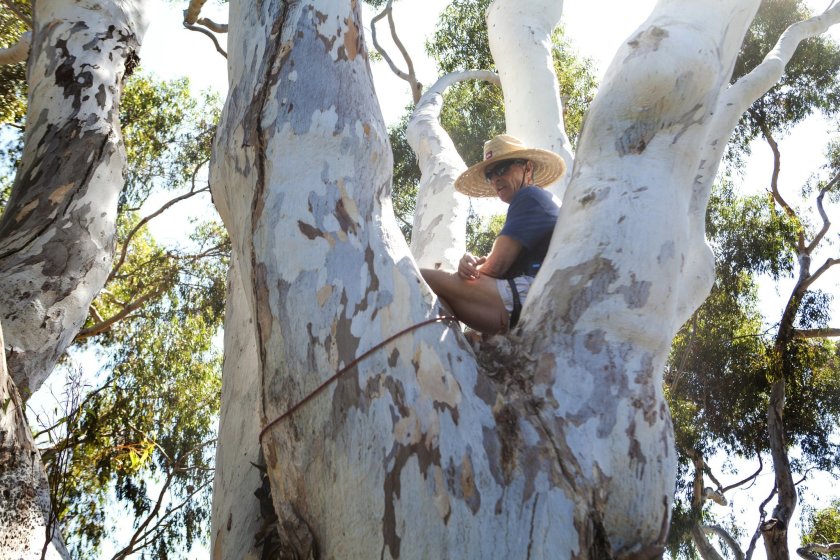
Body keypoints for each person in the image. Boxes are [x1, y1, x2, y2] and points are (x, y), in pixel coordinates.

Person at [421, 134, 566, 334]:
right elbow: (494, 263)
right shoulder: (538, 199)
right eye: (489, 175)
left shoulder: (529, 196)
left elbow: (496, 266)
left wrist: (467, 272)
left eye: (502, 168)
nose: (496, 179)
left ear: (528, 168)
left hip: (532, 298)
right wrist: (470, 263)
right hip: (537, 297)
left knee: (420, 277)